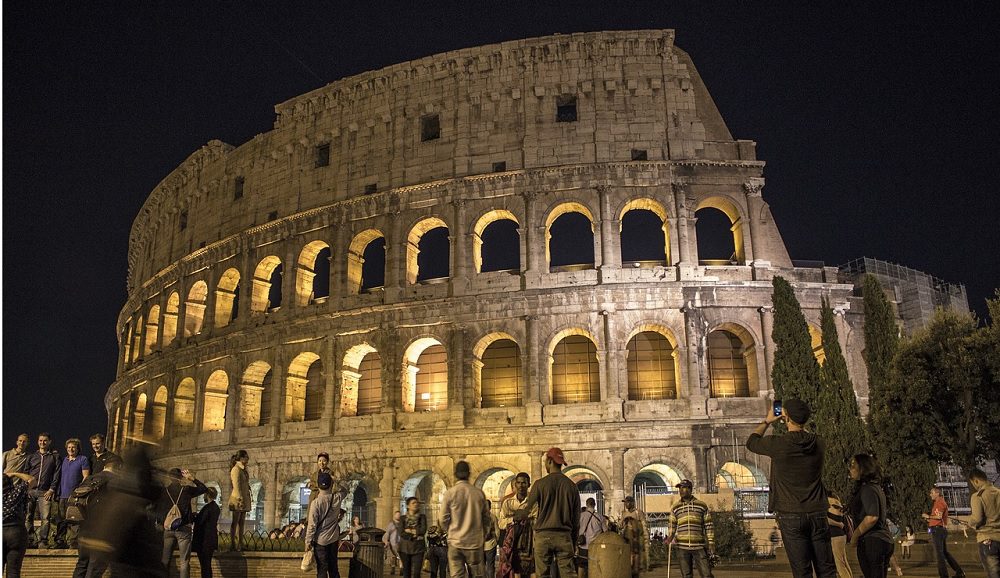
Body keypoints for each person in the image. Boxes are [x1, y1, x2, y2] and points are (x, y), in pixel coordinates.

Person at [746, 399, 836, 578]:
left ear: (786, 417)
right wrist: (797, 420)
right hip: (817, 511)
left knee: (802, 571)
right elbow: (806, 436)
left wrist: (767, 421)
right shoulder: (819, 443)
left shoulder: (778, 444)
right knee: (827, 569)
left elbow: (752, 441)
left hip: (790, 513)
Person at [514, 447, 581, 578]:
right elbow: (576, 519)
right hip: (564, 536)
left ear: (549, 461)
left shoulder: (540, 484)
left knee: (542, 575)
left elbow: (526, 509)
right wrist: (572, 541)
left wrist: (518, 515)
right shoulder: (572, 486)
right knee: (569, 575)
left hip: (543, 536)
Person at [73, 457, 122, 578]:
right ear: (119, 467)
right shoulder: (116, 480)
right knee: (95, 567)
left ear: (105, 466)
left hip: (84, 528)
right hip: (102, 530)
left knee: (82, 564)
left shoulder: (89, 479)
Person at [846, 455, 893, 578]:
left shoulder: (867, 489)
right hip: (882, 540)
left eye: (853, 465)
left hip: (872, 541)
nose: (850, 469)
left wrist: (855, 536)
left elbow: (872, 517)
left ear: (863, 468)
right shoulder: (875, 488)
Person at [442, 460, 490, 578]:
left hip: (455, 542)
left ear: (455, 474)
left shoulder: (450, 493)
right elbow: (486, 519)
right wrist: (483, 534)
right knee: (477, 575)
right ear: (469, 473)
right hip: (474, 542)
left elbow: (443, 518)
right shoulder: (478, 494)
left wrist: (449, 531)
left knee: (457, 576)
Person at [158, 467, 209, 578]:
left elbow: (160, 510)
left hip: (169, 528)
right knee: (184, 561)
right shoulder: (186, 490)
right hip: (184, 528)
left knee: (165, 560)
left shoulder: (165, 492)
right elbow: (203, 488)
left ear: (169, 478)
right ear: (181, 478)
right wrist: (192, 479)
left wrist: (162, 523)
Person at [304, 472, 348, 578]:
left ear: (318, 485)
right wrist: (336, 481)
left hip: (320, 541)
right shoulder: (336, 498)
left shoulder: (316, 503)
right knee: (334, 569)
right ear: (331, 484)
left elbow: (312, 526)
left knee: (322, 569)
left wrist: (308, 541)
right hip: (333, 539)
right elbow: (345, 491)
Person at [667, 479, 714, 578]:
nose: (680, 490)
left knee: (706, 575)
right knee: (686, 575)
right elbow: (672, 525)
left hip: (699, 545)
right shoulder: (675, 507)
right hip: (682, 547)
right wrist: (670, 537)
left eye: (683, 488)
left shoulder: (701, 505)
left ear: (689, 489)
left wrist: (711, 542)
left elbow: (708, 525)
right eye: (679, 488)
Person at [23, 432, 61, 548]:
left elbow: (56, 474)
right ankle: (29, 540)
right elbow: (25, 473)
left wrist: (52, 489)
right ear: (37, 442)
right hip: (31, 490)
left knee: (45, 518)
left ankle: (42, 541)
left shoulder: (54, 457)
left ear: (49, 442)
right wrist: (26, 488)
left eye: (45, 440)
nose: (42, 443)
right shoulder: (31, 456)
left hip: (45, 491)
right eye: (40, 440)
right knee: (28, 516)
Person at [498, 472, 537, 578]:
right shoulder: (508, 502)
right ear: (515, 484)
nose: (521, 485)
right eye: (518, 483)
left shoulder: (534, 502)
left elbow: (538, 522)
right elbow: (501, 523)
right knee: (515, 571)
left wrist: (527, 519)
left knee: (532, 571)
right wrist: (513, 519)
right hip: (513, 543)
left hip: (530, 544)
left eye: (524, 483)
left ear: (529, 484)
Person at [922, 486, 966, 578]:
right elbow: (938, 517)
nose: (930, 495)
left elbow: (938, 517)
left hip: (938, 530)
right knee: (945, 553)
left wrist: (928, 516)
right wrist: (929, 519)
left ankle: (944, 575)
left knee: (940, 554)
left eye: (932, 493)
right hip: (939, 529)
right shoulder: (938, 503)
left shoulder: (939, 502)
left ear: (937, 493)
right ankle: (959, 572)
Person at [55, 438, 91, 548]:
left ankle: (73, 542)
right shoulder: (64, 460)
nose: (71, 449)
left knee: (74, 520)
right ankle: (60, 541)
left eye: (73, 447)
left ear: (77, 448)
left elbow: (86, 476)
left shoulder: (82, 459)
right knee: (61, 520)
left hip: (75, 496)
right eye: (69, 447)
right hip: (63, 495)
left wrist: (79, 491)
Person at [3, 471, 37, 578]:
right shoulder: (17, 492)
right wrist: (13, 473)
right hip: (16, 531)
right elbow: (32, 480)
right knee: (13, 571)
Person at [967, 468, 1000, 578]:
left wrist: (969, 523)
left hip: (988, 539)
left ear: (976, 481)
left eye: (973, 483)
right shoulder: (998, 492)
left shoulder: (977, 496)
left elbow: (977, 518)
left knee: (993, 574)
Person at [192, 487, 221, 578]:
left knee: (204, 566)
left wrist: (194, 517)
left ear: (207, 495)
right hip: (211, 539)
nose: (204, 496)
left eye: (205, 494)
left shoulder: (207, 507)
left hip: (204, 541)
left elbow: (201, 521)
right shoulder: (216, 507)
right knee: (207, 565)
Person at [227, 449, 251, 551]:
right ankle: (233, 544)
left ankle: (240, 543)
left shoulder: (243, 469)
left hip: (243, 498)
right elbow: (236, 485)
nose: (248, 459)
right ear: (241, 458)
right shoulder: (236, 469)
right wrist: (240, 499)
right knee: (235, 522)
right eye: (246, 457)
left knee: (241, 522)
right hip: (237, 498)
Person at [577, 497, 606, 578]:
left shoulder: (580, 516)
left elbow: (576, 529)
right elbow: (606, 531)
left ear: (586, 505)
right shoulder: (600, 517)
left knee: (581, 565)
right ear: (595, 505)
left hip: (583, 545)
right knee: (594, 565)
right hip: (595, 546)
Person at [398, 496, 427, 578]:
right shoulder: (402, 518)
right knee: (407, 573)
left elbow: (423, 530)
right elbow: (401, 532)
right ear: (408, 506)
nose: (416, 504)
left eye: (417, 503)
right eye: (413, 503)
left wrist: (410, 531)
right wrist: (414, 534)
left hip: (418, 548)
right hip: (405, 548)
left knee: (417, 573)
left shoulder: (422, 517)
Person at [622, 495, 650, 575]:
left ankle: (638, 568)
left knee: (637, 552)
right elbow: (621, 525)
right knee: (629, 553)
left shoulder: (638, 512)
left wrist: (645, 536)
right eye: (625, 503)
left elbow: (644, 524)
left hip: (637, 536)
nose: (626, 504)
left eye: (627, 502)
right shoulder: (624, 513)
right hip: (627, 536)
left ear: (631, 503)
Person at [827, 492, 851, 578]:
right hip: (841, 535)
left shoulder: (829, 503)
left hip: (834, 536)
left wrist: (838, 524)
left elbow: (825, 520)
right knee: (843, 562)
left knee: (839, 565)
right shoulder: (838, 504)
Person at [484, 499, 500, 578]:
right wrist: (496, 540)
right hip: (491, 544)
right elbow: (497, 531)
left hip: (480, 546)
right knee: (490, 566)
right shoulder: (493, 517)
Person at [383, 510, 402, 575]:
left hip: (400, 543)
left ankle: (401, 569)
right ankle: (393, 568)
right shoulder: (391, 524)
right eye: (397, 514)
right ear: (394, 516)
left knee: (401, 556)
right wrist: (386, 541)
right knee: (393, 557)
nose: (398, 516)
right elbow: (387, 533)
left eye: (399, 515)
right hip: (392, 543)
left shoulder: (402, 524)